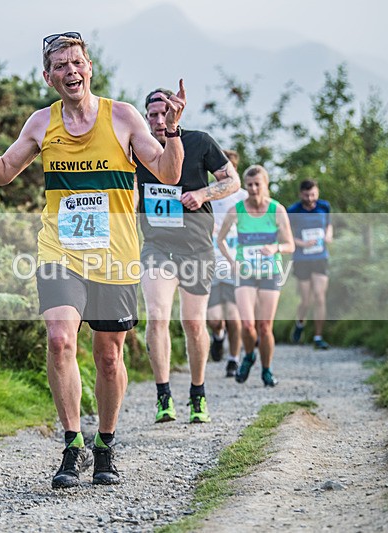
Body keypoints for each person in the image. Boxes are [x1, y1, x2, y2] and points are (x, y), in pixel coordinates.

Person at [0, 33, 186, 489]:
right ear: (48, 76)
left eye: (77, 62)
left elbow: (169, 174)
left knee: (109, 356)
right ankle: (73, 444)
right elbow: (1, 172)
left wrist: (171, 129)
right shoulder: (40, 123)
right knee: (58, 340)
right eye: (61, 65)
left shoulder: (124, 117)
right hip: (61, 251)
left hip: (115, 254)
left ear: (90, 67)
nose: (71, 71)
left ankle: (106, 445)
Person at [136, 91, 239, 424]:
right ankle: (163, 395)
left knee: (194, 324)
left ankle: (198, 393)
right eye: (151, 115)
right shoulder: (138, 147)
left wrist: (203, 193)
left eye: (163, 113)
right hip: (157, 245)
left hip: (196, 247)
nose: (157, 121)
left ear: (176, 112)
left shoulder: (200, 142)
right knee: (157, 316)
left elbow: (233, 181)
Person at [217, 165, 294, 387]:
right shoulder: (236, 210)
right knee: (248, 325)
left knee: (264, 326)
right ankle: (249, 355)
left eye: (257, 184)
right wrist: (232, 262)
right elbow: (221, 239)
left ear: (265, 185)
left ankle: (267, 370)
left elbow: (290, 245)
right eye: (249, 184)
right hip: (245, 273)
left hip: (270, 272)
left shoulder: (277, 210)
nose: (253, 188)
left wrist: (275, 248)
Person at [206, 149, 248, 378]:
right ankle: (218, 336)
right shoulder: (206, 193)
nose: (221, 172)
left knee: (234, 316)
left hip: (234, 262)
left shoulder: (242, 197)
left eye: (226, 167)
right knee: (213, 319)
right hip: (209, 262)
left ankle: (233, 359)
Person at [287, 179, 333, 349]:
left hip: (320, 256)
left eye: (313, 194)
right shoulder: (292, 211)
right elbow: (285, 235)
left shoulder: (324, 206)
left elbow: (329, 225)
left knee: (320, 297)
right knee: (306, 300)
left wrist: (328, 235)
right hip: (301, 259)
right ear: (301, 194)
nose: (310, 198)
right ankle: (300, 324)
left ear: (317, 192)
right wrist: (301, 243)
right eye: (306, 195)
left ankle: (318, 337)